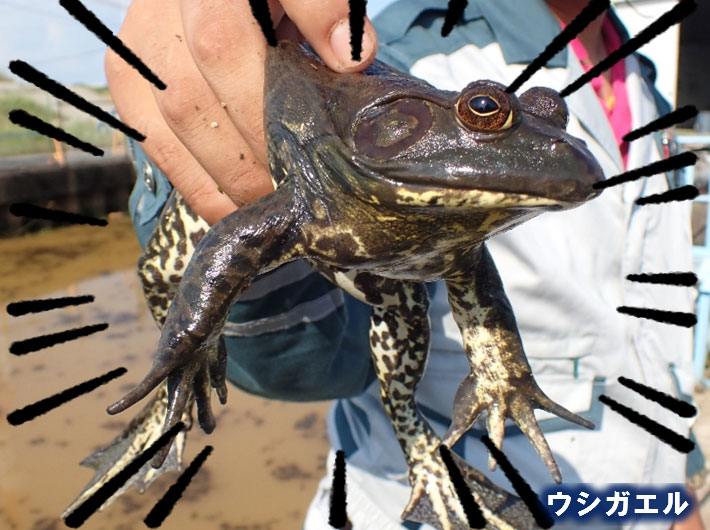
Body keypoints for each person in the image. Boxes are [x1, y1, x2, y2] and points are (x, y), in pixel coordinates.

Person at [107, 0, 706, 528]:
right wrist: (190, 124)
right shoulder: (387, 49)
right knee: (403, 309)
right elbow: (308, 367)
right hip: (417, 506)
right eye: (484, 110)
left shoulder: (645, 82)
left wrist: (679, 496)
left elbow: (659, 339)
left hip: (632, 498)